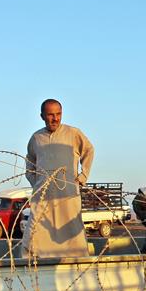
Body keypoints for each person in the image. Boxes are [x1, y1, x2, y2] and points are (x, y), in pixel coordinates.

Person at [25, 99, 95, 257]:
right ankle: (32, 261)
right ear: (42, 116)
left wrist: (83, 176)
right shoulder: (36, 138)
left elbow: (89, 150)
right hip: (43, 194)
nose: (55, 118)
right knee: (36, 230)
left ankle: (78, 261)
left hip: (68, 193)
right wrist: (36, 182)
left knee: (71, 230)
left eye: (58, 114)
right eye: (50, 115)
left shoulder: (73, 133)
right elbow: (30, 161)